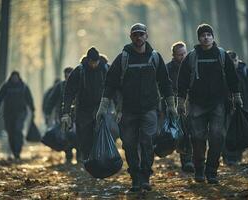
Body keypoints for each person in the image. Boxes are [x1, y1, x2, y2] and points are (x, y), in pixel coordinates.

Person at [96, 23, 176, 192]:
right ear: (131, 37)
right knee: (129, 144)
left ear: (146, 36)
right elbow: (110, 84)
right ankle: (135, 178)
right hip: (128, 110)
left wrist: (171, 106)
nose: (138, 37)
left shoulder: (155, 57)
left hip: (149, 109)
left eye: (141, 34)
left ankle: (145, 176)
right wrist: (102, 107)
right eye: (135, 35)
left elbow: (165, 82)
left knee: (147, 143)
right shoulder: (123, 58)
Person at [177, 24, 241, 184]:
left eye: (208, 34)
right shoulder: (191, 57)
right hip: (197, 104)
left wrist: (237, 96)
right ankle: (199, 170)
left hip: (218, 103)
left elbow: (233, 76)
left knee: (217, 137)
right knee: (197, 138)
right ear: (198, 38)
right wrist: (181, 101)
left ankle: (211, 171)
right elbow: (182, 80)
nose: (206, 37)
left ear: (213, 37)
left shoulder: (221, 55)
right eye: (203, 35)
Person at [60, 47, 109, 161]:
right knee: (83, 135)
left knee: (98, 134)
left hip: (100, 107)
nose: (94, 64)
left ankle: (96, 158)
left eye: (95, 62)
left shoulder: (106, 69)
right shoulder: (79, 71)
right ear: (88, 60)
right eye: (92, 62)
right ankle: (86, 158)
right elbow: (69, 92)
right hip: (83, 109)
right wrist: (66, 112)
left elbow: (114, 88)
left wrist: (118, 107)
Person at [165, 41, 194, 172]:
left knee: (194, 132)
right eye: (179, 55)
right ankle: (187, 161)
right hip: (175, 103)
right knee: (183, 132)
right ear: (173, 55)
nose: (182, 57)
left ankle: (195, 160)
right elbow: (165, 87)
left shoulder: (192, 65)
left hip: (192, 101)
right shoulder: (168, 69)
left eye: (184, 53)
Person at [46, 67, 80, 163]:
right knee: (65, 135)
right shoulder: (60, 86)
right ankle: (68, 155)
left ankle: (79, 156)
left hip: (77, 115)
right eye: (66, 75)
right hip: (63, 115)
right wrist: (48, 112)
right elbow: (51, 100)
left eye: (70, 75)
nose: (68, 77)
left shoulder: (79, 85)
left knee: (79, 135)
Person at [0, 71, 35, 159]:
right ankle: (14, 151)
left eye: (16, 77)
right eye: (13, 77)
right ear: (11, 77)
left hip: (21, 113)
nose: (15, 79)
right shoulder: (6, 86)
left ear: (18, 77)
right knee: (10, 132)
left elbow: (29, 98)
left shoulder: (23, 86)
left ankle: (18, 151)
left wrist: (32, 109)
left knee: (18, 130)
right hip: (8, 113)